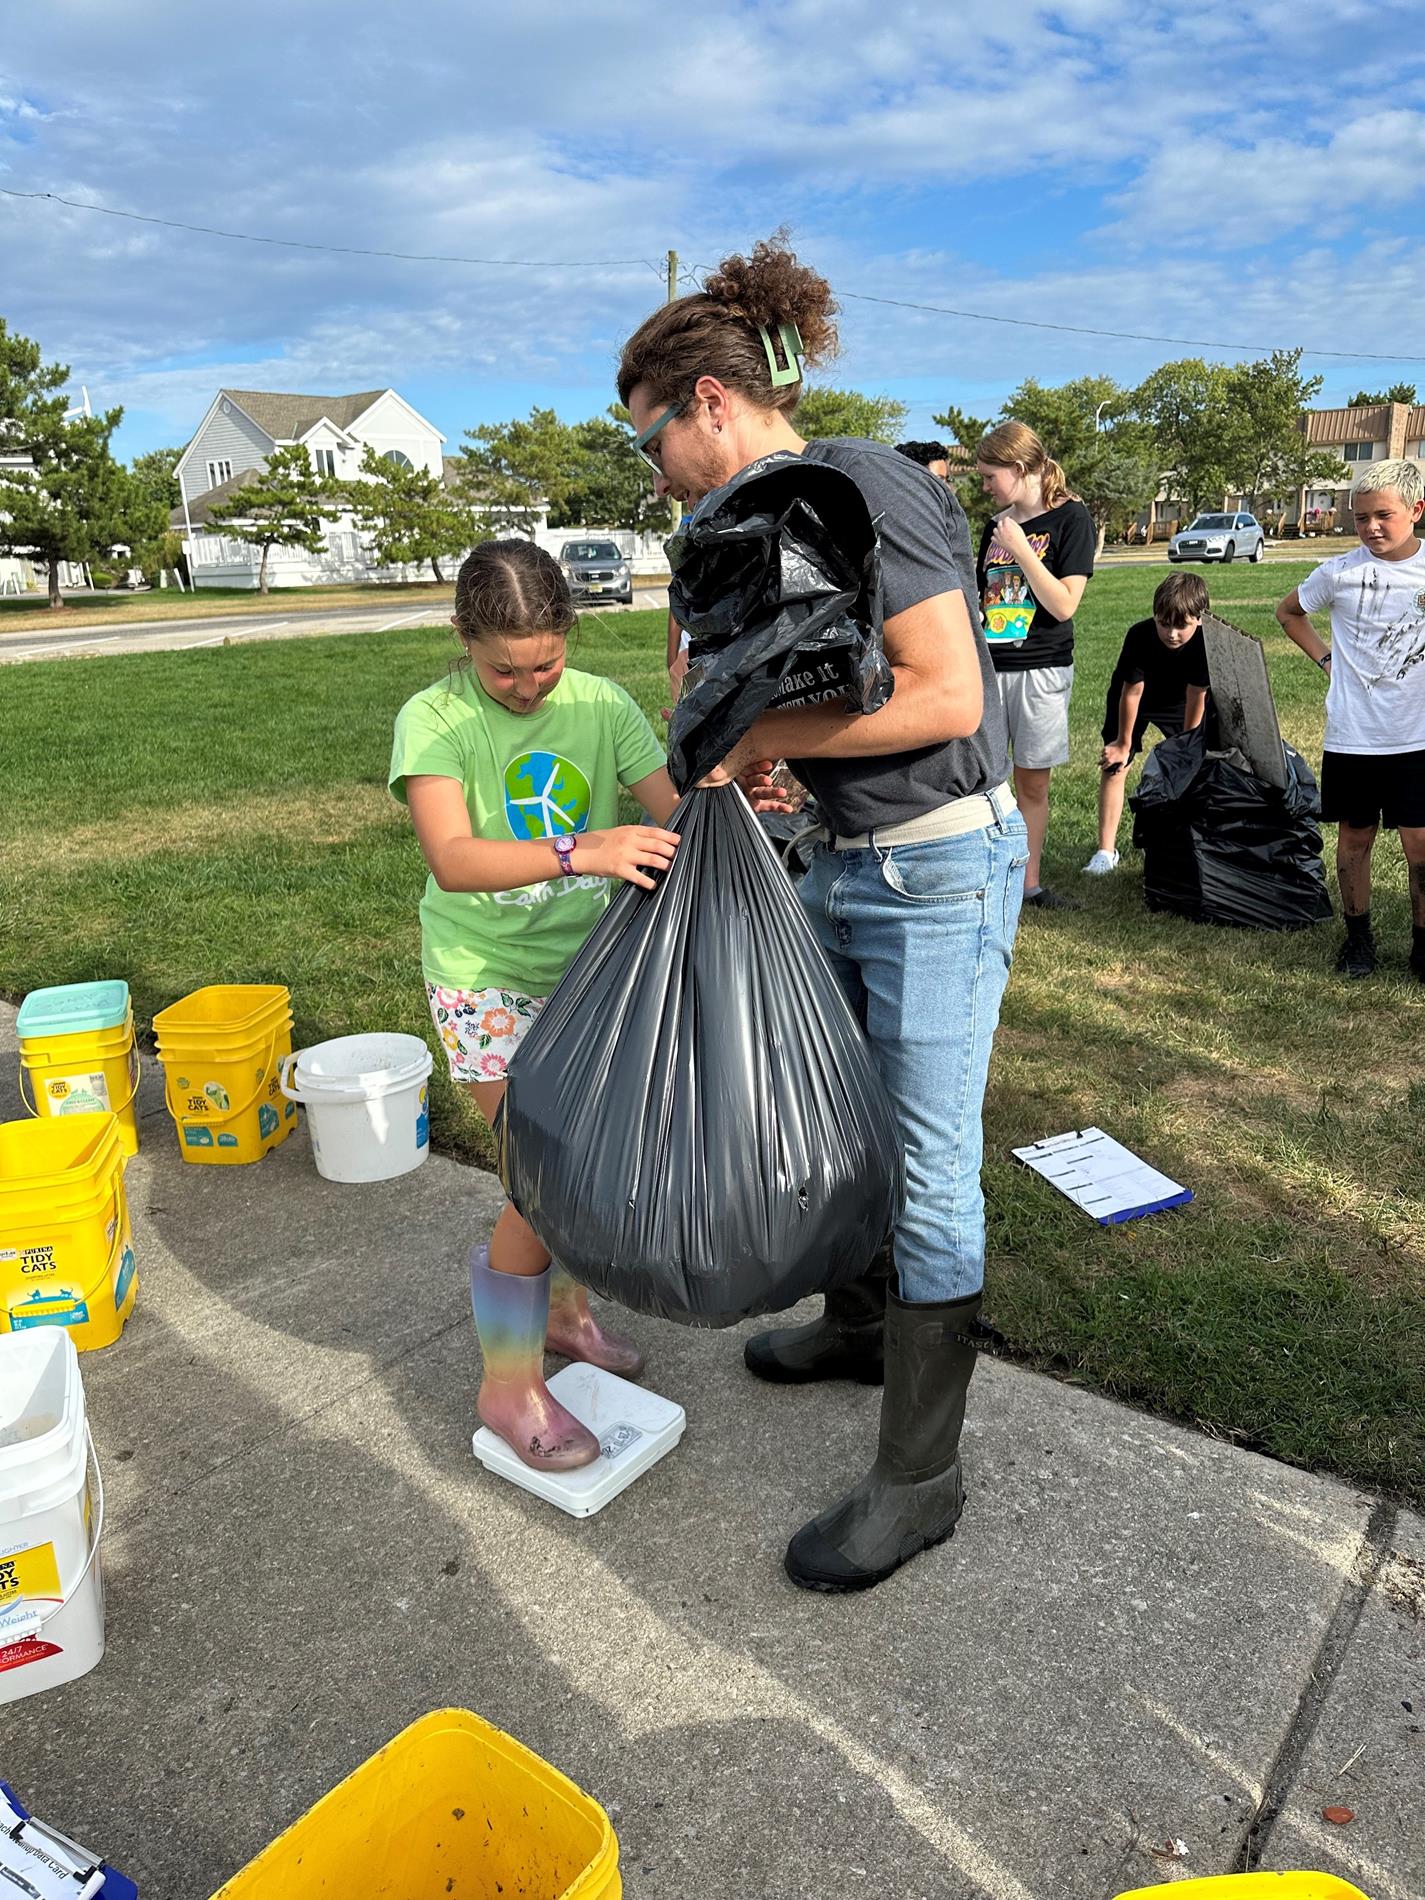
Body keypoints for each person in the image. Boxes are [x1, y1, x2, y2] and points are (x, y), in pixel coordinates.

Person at [618, 236, 1026, 1593]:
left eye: (651, 438)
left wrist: (757, 736)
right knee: (838, 1127)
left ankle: (922, 1478)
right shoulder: (765, 515)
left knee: (921, 1164)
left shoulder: (866, 488)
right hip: (847, 860)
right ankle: (858, 1327)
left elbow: (948, 701)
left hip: (934, 872)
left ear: (709, 403)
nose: (656, 467)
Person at [388, 541, 683, 1470]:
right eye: (502, 669)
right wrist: (579, 850)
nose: (525, 686)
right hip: (485, 975)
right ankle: (506, 1386)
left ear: (571, 638)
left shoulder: (601, 703)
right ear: (464, 644)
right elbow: (455, 858)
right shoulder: (433, 719)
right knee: (542, 1177)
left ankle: (566, 1318)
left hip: (588, 973)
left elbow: (669, 812)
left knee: (583, 1166)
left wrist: (723, 786)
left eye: (545, 662)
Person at [1276, 458, 1425, 981]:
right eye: (1361, 518)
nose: (1371, 528)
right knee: (1355, 838)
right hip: (1354, 735)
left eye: (1383, 515)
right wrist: (1325, 659)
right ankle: (1358, 939)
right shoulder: (1339, 573)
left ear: (1417, 510)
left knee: (1419, 844)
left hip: (1417, 737)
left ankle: (1422, 945)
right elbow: (1288, 612)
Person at [974, 422, 1097, 909]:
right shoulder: (993, 526)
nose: (984, 487)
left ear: (1020, 469)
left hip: (1040, 669)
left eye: (990, 476)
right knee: (983, 779)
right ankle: (986, 877)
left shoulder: (1071, 520)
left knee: (1031, 782)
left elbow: (1065, 604)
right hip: (990, 666)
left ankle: (1028, 885)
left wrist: (1023, 548)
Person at [1084, 572, 1211, 875]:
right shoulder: (1139, 636)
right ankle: (1105, 851)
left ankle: (1189, 844)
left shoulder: (1206, 644)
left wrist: (1187, 748)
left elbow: (1196, 697)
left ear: (1200, 619)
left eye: (1182, 625)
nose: (1172, 633)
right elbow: (1132, 692)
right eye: (1163, 623)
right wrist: (1123, 745)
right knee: (1115, 765)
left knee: (1192, 769)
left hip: (1181, 698)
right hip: (1134, 696)